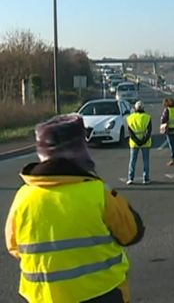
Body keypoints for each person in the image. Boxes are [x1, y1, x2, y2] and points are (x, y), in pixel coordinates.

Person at [4, 115, 145, 303]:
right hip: (102, 293)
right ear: (80, 151)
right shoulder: (97, 191)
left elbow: (14, 246)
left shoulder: (22, 197)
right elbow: (132, 232)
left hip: (41, 297)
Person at [127, 100, 152, 185]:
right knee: (146, 161)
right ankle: (146, 179)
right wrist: (143, 141)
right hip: (146, 143)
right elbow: (149, 131)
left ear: (135, 108)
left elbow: (130, 132)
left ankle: (130, 178)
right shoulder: (147, 117)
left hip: (134, 143)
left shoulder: (130, 118)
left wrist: (137, 141)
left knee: (132, 161)